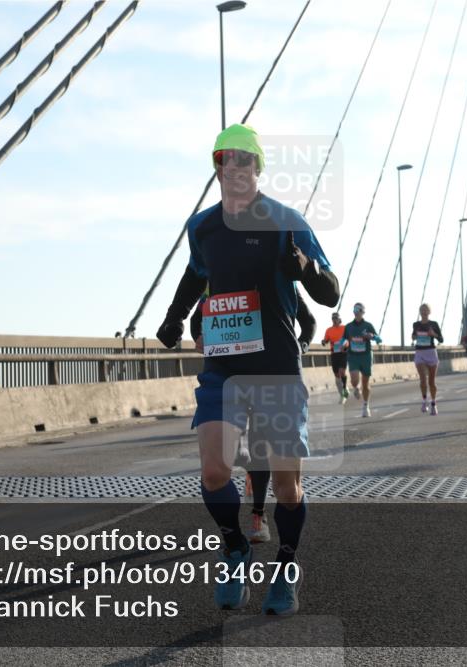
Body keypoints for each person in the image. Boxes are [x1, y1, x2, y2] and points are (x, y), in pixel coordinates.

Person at [155, 124, 339, 615]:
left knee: (286, 487)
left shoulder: (286, 221)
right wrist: (173, 318)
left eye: (242, 159)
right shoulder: (203, 227)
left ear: (258, 167)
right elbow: (196, 275)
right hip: (222, 370)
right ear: (216, 168)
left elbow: (330, 292)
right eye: (223, 159)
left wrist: (306, 269)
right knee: (215, 471)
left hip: (277, 369)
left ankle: (284, 566)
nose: (232, 167)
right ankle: (235, 546)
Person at [189, 286, 316, 545]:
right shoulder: (217, 281)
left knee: (261, 450)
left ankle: (258, 514)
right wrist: (201, 338)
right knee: (229, 455)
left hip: (271, 375)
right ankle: (245, 466)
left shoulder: (278, 282)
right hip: (228, 374)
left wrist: (299, 346)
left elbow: (309, 321)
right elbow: (195, 320)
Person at [340, 302, 381, 418]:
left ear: (363, 312)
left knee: (365, 383)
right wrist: (344, 343)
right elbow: (344, 339)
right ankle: (356, 388)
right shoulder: (348, 327)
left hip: (366, 356)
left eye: (359, 310)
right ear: (353, 312)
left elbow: (379, 339)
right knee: (354, 380)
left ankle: (365, 405)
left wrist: (372, 336)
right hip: (353, 356)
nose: (357, 312)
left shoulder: (368, 326)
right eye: (355, 309)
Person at [411, 304, 444, 414]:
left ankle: (433, 403)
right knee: (423, 379)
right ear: (420, 312)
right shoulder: (416, 324)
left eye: (426, 310)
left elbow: (441, 339)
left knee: (431, 382)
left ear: (429, 312)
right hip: (420, 353)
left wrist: (433, 334)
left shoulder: (434, 324)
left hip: (431, 353)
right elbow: (413, 335)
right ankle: (424, 401)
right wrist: (414, 336)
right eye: (422, 310)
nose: (424, 312)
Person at [321, 312, 349, 404]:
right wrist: (324, 341)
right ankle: (342, 392)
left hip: (343, 353)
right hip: (334, 354)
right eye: (333, 319)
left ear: (339, 319)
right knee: (337, 375)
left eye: (336, 318)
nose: (334, 320)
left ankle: (344, 393)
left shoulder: (344, 328)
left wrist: (345, 345)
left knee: (342, 372)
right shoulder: (329, 330)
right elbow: (326, 339)